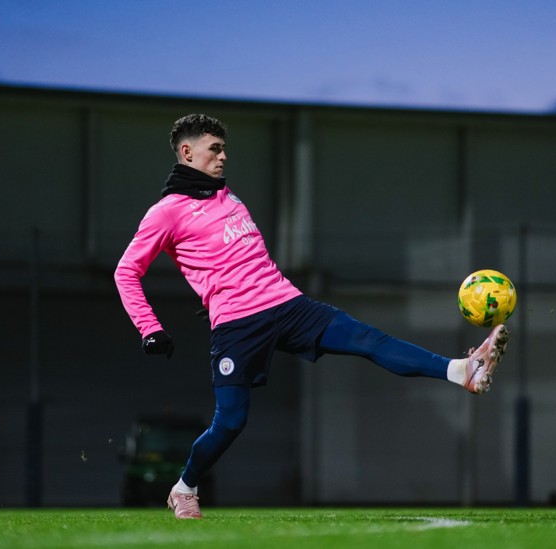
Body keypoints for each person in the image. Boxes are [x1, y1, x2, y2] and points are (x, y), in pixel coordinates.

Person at [114, 113, 510, 519]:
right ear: (186, 152)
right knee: (231, 421)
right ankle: (184, 487)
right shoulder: (166, 213)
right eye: (214, 148)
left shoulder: (228, 197)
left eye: (223, 148)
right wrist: (150, 328)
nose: (223, 156)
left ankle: (462, 370)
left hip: (287, 304)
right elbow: (126, 271)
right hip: (238, 325)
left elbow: (234, 259)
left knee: (366, 338)